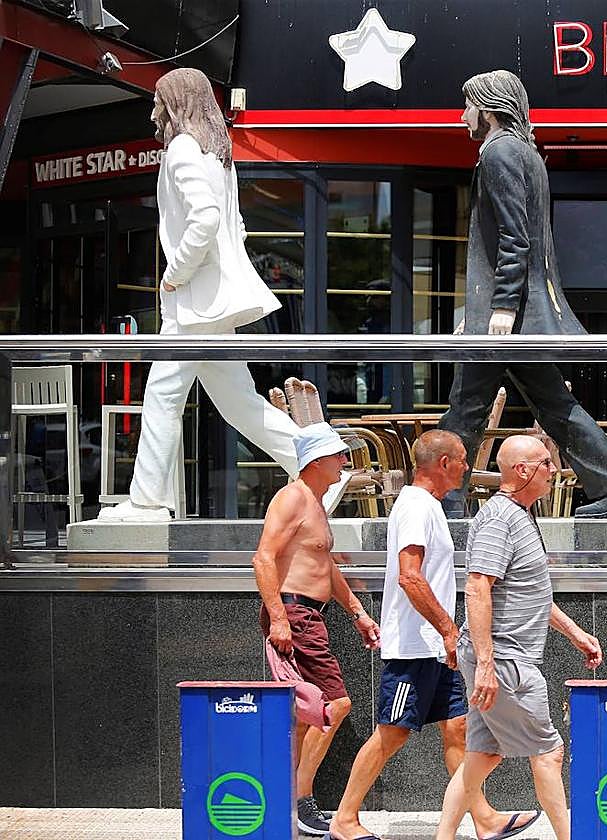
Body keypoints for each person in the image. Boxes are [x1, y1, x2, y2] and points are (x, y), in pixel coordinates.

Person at [438, 69, 607, 519]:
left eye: (469, 106)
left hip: (507, 318)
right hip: (516, 314)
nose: (463, 116)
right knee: (552, 404)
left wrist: (500, 307)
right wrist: (485, 308)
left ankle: (442, 500)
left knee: (465, 409)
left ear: (489, 110)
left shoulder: (500, 152)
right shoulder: (524, 151)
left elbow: (514, 238)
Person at [99, 67, 302, 522]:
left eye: (158, 100)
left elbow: (206, 218)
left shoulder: (183, 149)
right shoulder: (217, 153)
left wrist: (175, 274)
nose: (153, 111)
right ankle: (320, 464)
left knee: (162, 397)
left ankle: (148, 502)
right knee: (241, 405)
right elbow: (235, 226)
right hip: (213, 305)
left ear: (176, 103)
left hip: (194, 307)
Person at [327, 430, 538, 840]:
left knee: (457, 728)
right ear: (444, 463)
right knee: (392, 732)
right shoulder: (415, 507)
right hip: (414, 647)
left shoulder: (429, 506)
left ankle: (483, 817)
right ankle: (344, 819)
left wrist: (446, 636)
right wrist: (447, 629)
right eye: (462, 460)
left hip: (435, 646)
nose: (467, 467)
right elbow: (410, 577)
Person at [434, 435, 603, 840]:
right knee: (549, 751)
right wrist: (487, 665)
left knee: (481, 755)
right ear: (522, 470)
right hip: (506, 659)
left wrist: (576, 633)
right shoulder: (499, 519)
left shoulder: (519, 515)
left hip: (502, 657)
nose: (554, 471)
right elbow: (478, 587)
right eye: (547, 463)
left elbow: (530, 592)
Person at [252, 422, 381, 836]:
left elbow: (324, 565)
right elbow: (263, 558)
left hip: (307, 615)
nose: (345, 461)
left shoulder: (315, 502)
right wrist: (278, 618)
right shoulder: (292, 497)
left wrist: (358, 612)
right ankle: (300, 799)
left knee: (308, 714)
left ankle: (284, 799)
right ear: (317, 460)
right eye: (338, 454)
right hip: (295, 615)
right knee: (334, 705)